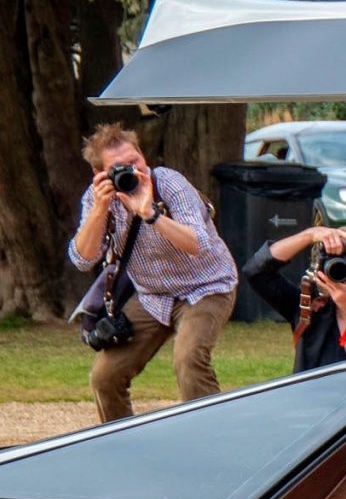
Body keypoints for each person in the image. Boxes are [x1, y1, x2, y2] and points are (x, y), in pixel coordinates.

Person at [68, 122, 239, 422]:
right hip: (154, 295)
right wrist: (99, 209)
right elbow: (83, 259)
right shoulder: (96, 199)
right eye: (120, 168)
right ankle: (124, 447)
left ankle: (214, 440)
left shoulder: (169, 183)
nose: (132, 172)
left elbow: (197, 243)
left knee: (188, 360)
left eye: (135, 161)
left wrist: (149, 213)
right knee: (105, 377)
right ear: (100, 175)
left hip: (207, 287)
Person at [242, 224, 346, 370]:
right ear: (322, 269)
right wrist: (309, 235)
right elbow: (256, 271)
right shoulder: (308, 306)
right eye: (343, 266)